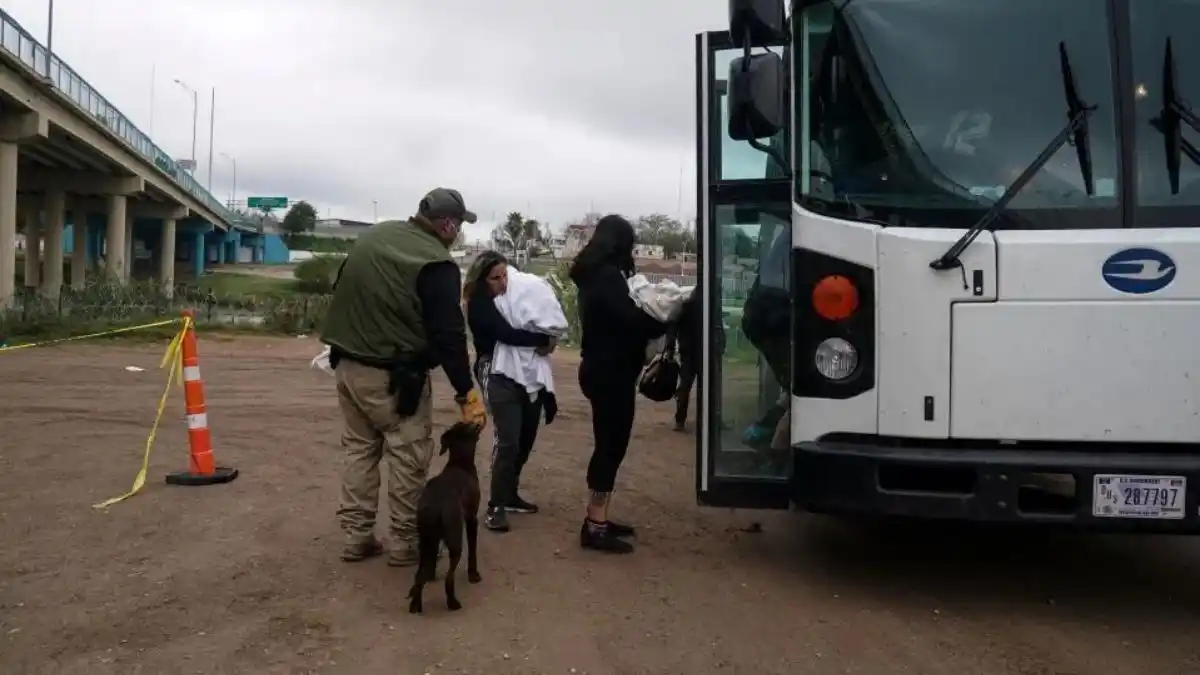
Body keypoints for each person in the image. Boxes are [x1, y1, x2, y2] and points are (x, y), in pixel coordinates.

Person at [319, 187, 488, 567]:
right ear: (447, 225)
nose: (458, 232)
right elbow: (449, 334)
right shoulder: (436, 262)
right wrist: (465, 391)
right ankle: (406, 542)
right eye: (459, 224)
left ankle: (356, 537)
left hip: (347, 365)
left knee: (359, 450)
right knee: (407, 454)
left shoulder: (376, 235)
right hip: (394, 377)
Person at [569, 214, 667, 554]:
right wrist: (664, 319)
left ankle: (598, 518)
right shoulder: (607, 277)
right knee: (611, 447)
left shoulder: (593, 275)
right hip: (610, 373)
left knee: (609, 445)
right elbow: (632, 320)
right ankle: (594, 526)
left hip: (600, 370)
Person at [463, 251, 556, 533]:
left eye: (505, 276)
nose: (503, 283)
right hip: (496, 373)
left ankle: (510, 493)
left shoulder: (513, 299)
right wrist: (543, 338)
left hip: (525, 372)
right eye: (495, 278)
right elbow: (506, 334)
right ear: (482, 279)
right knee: (508, 440)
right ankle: (496, 505)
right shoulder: (479, 303)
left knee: (527, 435)